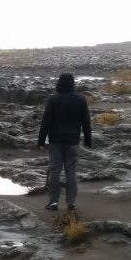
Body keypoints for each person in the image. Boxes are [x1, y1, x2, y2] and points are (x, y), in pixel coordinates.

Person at [37, 72, 92, 211]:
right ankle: (71, 203)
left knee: (55, 170)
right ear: (73, 83)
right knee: (71, 171)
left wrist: (41, 141)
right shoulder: (80, 99)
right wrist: (88, 139)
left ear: (59, 83)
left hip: (55, 139)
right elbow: (86, 121)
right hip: (73, 140)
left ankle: (53, 202)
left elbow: (46, 122)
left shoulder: (53, 99)